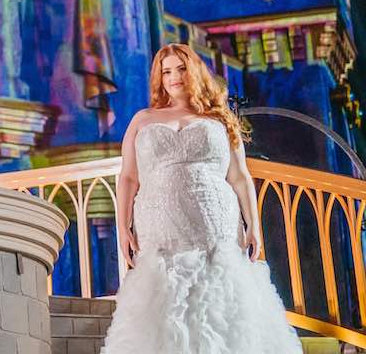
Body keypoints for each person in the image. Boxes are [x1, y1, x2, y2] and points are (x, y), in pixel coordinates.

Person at [100, 43, 301, 354]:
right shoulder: (142, 119)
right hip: (159, 226)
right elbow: (128, 177)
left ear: (193, 71)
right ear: (159, 78)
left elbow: (239, 176)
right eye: (166, 71)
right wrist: (122, 226)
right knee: (162, 305)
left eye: (180, 68)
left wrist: (253, 226)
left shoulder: (219, 118)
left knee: (220, 301)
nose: (174, 77)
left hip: (213, 223)